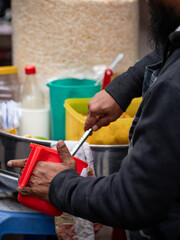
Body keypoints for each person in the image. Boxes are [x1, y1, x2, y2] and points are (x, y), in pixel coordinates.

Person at [7, 0, 180, 239]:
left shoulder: (173, 87)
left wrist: (61, 185)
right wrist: (125, 85)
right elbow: (171, 47)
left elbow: (134, 200)